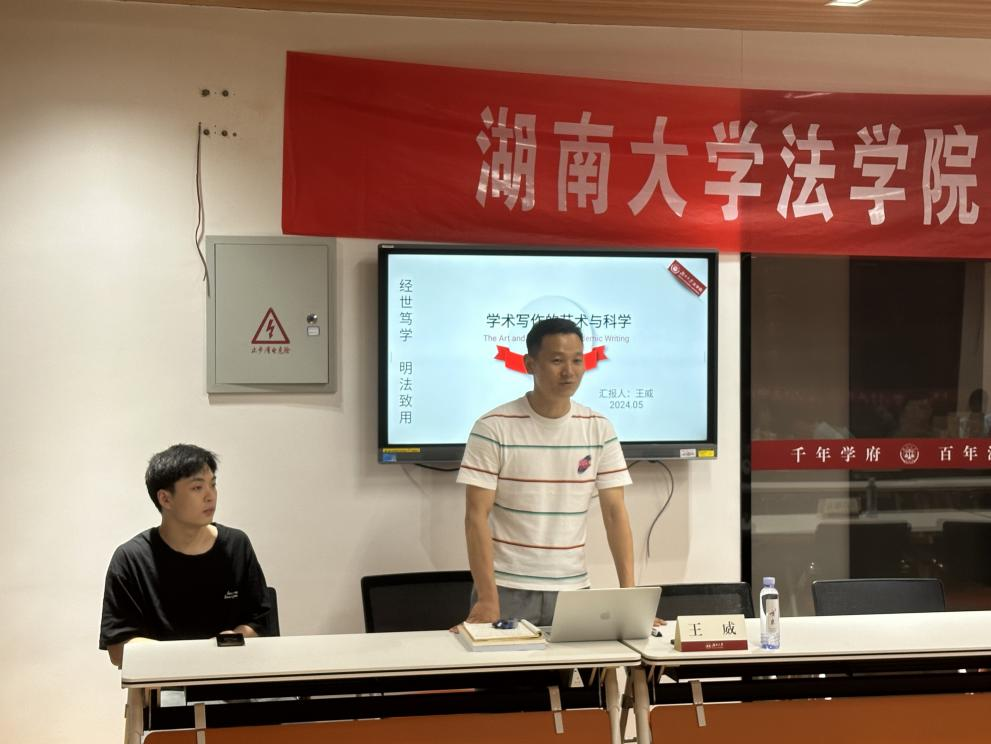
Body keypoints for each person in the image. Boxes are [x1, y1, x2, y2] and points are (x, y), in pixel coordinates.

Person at [457, 317, 635, 627]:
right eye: (556, 360)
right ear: (530, 364)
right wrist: (487, 598)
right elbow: (475, 516)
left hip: (573, 590)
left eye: (577, 360)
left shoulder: (599, 428)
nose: (569, 371)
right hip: (506, 589)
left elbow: (615, 513)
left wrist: (630, 598)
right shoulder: (493, 427)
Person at [100, 444, 273, 667]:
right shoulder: (131, 559)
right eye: (197, 488)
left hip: (230, 673)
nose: (210, 496)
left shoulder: (236, 545)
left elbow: (261, 622)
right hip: (165, 679)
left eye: (213, 485)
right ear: (165, 499)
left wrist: (228, 643)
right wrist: (195, 657)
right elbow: (118, 649)